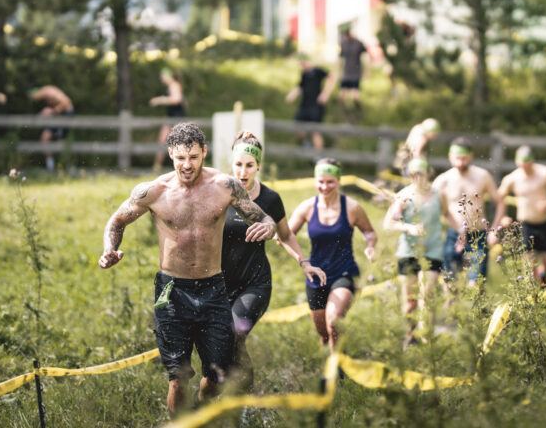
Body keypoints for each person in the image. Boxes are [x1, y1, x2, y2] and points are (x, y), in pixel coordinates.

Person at [98, 122, 277, 416]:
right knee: (178, 377)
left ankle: (202, 414)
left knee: (216, 375)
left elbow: (264, 218)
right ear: (171, 154)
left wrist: (267, 228)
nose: (187, 165)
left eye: (193, 157)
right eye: (181, 158)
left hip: (214, 288)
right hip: (170, 290)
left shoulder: (225, 186)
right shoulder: (153, 192)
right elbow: (116, 221)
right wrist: (108, 249)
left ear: (204, 152)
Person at [223, 130, 326, 390]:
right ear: (231, 164)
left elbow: (286, 235)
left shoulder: (270, 199)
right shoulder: (218, 195)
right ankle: (225, 391)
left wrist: (304, 262)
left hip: (254, 284)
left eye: (249, 166)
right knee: (222, 344)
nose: (242, 172)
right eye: (238, 165)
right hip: (219, 285)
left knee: (235, 334)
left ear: (258, 165)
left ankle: (244, 402)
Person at [288, 158, 377, 352]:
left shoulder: (352, 207)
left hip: (344, 272)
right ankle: (329, 361)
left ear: (338, 181)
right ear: (315, 181)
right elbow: (286, 235)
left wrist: (370, 246)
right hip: (315, 276)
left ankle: (338, 368)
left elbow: (369, 231)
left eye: (330, 182)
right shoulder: (307, 207)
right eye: (320, 181)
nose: (325, 186)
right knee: (324, 334)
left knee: (334, 321)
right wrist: (301, 259)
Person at [384, 157, 456, 347]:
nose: (417, 178)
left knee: (427, 297)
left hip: (432, 250)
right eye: (413, 174)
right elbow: (388, 223)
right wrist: (409, 227)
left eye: (421, 174)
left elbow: (447, 214)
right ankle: (410, 337)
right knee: (410, 303)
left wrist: (462, 233)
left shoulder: (438, 195)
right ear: (409, 175)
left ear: (428, 173)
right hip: (408, 251)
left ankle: (428, 342)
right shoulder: (403, 196)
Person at [432, 137, 505, 288]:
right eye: (457, 158)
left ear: (471, 156)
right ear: (450, 157)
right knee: (450, 283)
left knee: (476, 284)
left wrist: (494, 230)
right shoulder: (442, 180)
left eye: (464, 158)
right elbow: (432, 208)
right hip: (454, 235)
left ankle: (478, 311)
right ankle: (452, 311)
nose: (460, 163)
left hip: (477, 235)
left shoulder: (482, 176)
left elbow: (500, 202)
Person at [495, 145, 546, 285]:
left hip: (544, 223)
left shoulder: (545, 173)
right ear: (517, 163)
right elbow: (499, 198)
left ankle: (541, 277)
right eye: (522, 165)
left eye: (528, 164)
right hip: (525, 225)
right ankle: (532, 295)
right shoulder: (512, 178)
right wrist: (503, 217)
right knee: (529, 265)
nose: (525, 168)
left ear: (532, 161)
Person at [285, 54, 335, 151]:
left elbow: (331, 77)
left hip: (316, 106)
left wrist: (325, 93)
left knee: (316, 132)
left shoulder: (317, 71)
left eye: (304, 62)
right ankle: (307, 143)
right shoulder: (304, 74)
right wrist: (292, 95)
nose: (303, 64)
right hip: (305, 105)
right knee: (296, 126)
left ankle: (318, 156)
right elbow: (300, 87)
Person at [29, 85, 74, 171]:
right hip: (58, 115)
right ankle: (51, 166)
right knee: (44, 138)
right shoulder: (45, 94)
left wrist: (52, 111)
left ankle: (65, 166)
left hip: (66, 114)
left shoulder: (49, 92)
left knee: (60, 142)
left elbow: (66, 102)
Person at [150, 67, 185, 172]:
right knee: (164, 141)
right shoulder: (172, 85)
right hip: (171, 118)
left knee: (179, 143)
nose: (162, 78)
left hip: (176, 119)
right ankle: (157, 167)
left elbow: (177, 99)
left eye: (163, 76)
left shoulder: (174, 85)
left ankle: (157, 167)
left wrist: (160, 100)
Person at [338, 25, 367, 122]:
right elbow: (340, 58)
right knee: (341, 98)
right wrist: (338, 72)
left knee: (354, 98)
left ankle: (359, 112)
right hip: (346, 73)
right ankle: (346, 117)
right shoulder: (343, 43)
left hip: (355, 73)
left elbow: (365, 56)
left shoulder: (358, 43)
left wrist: (367, 71)